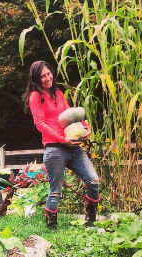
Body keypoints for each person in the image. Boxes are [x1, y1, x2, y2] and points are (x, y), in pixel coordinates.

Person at [24, 60, 100, 230]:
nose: (47, 78)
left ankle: (91, 223)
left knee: (93, 181)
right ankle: (52, 228)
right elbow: (40, 124)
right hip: (55, 148)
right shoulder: (36, 96)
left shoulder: (58, 93)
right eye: (42, 76)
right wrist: (61, 139)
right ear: (36, 79)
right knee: (56, 190)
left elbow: (71, 116)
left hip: (73, 146)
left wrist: (86, 127)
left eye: (48, 73)